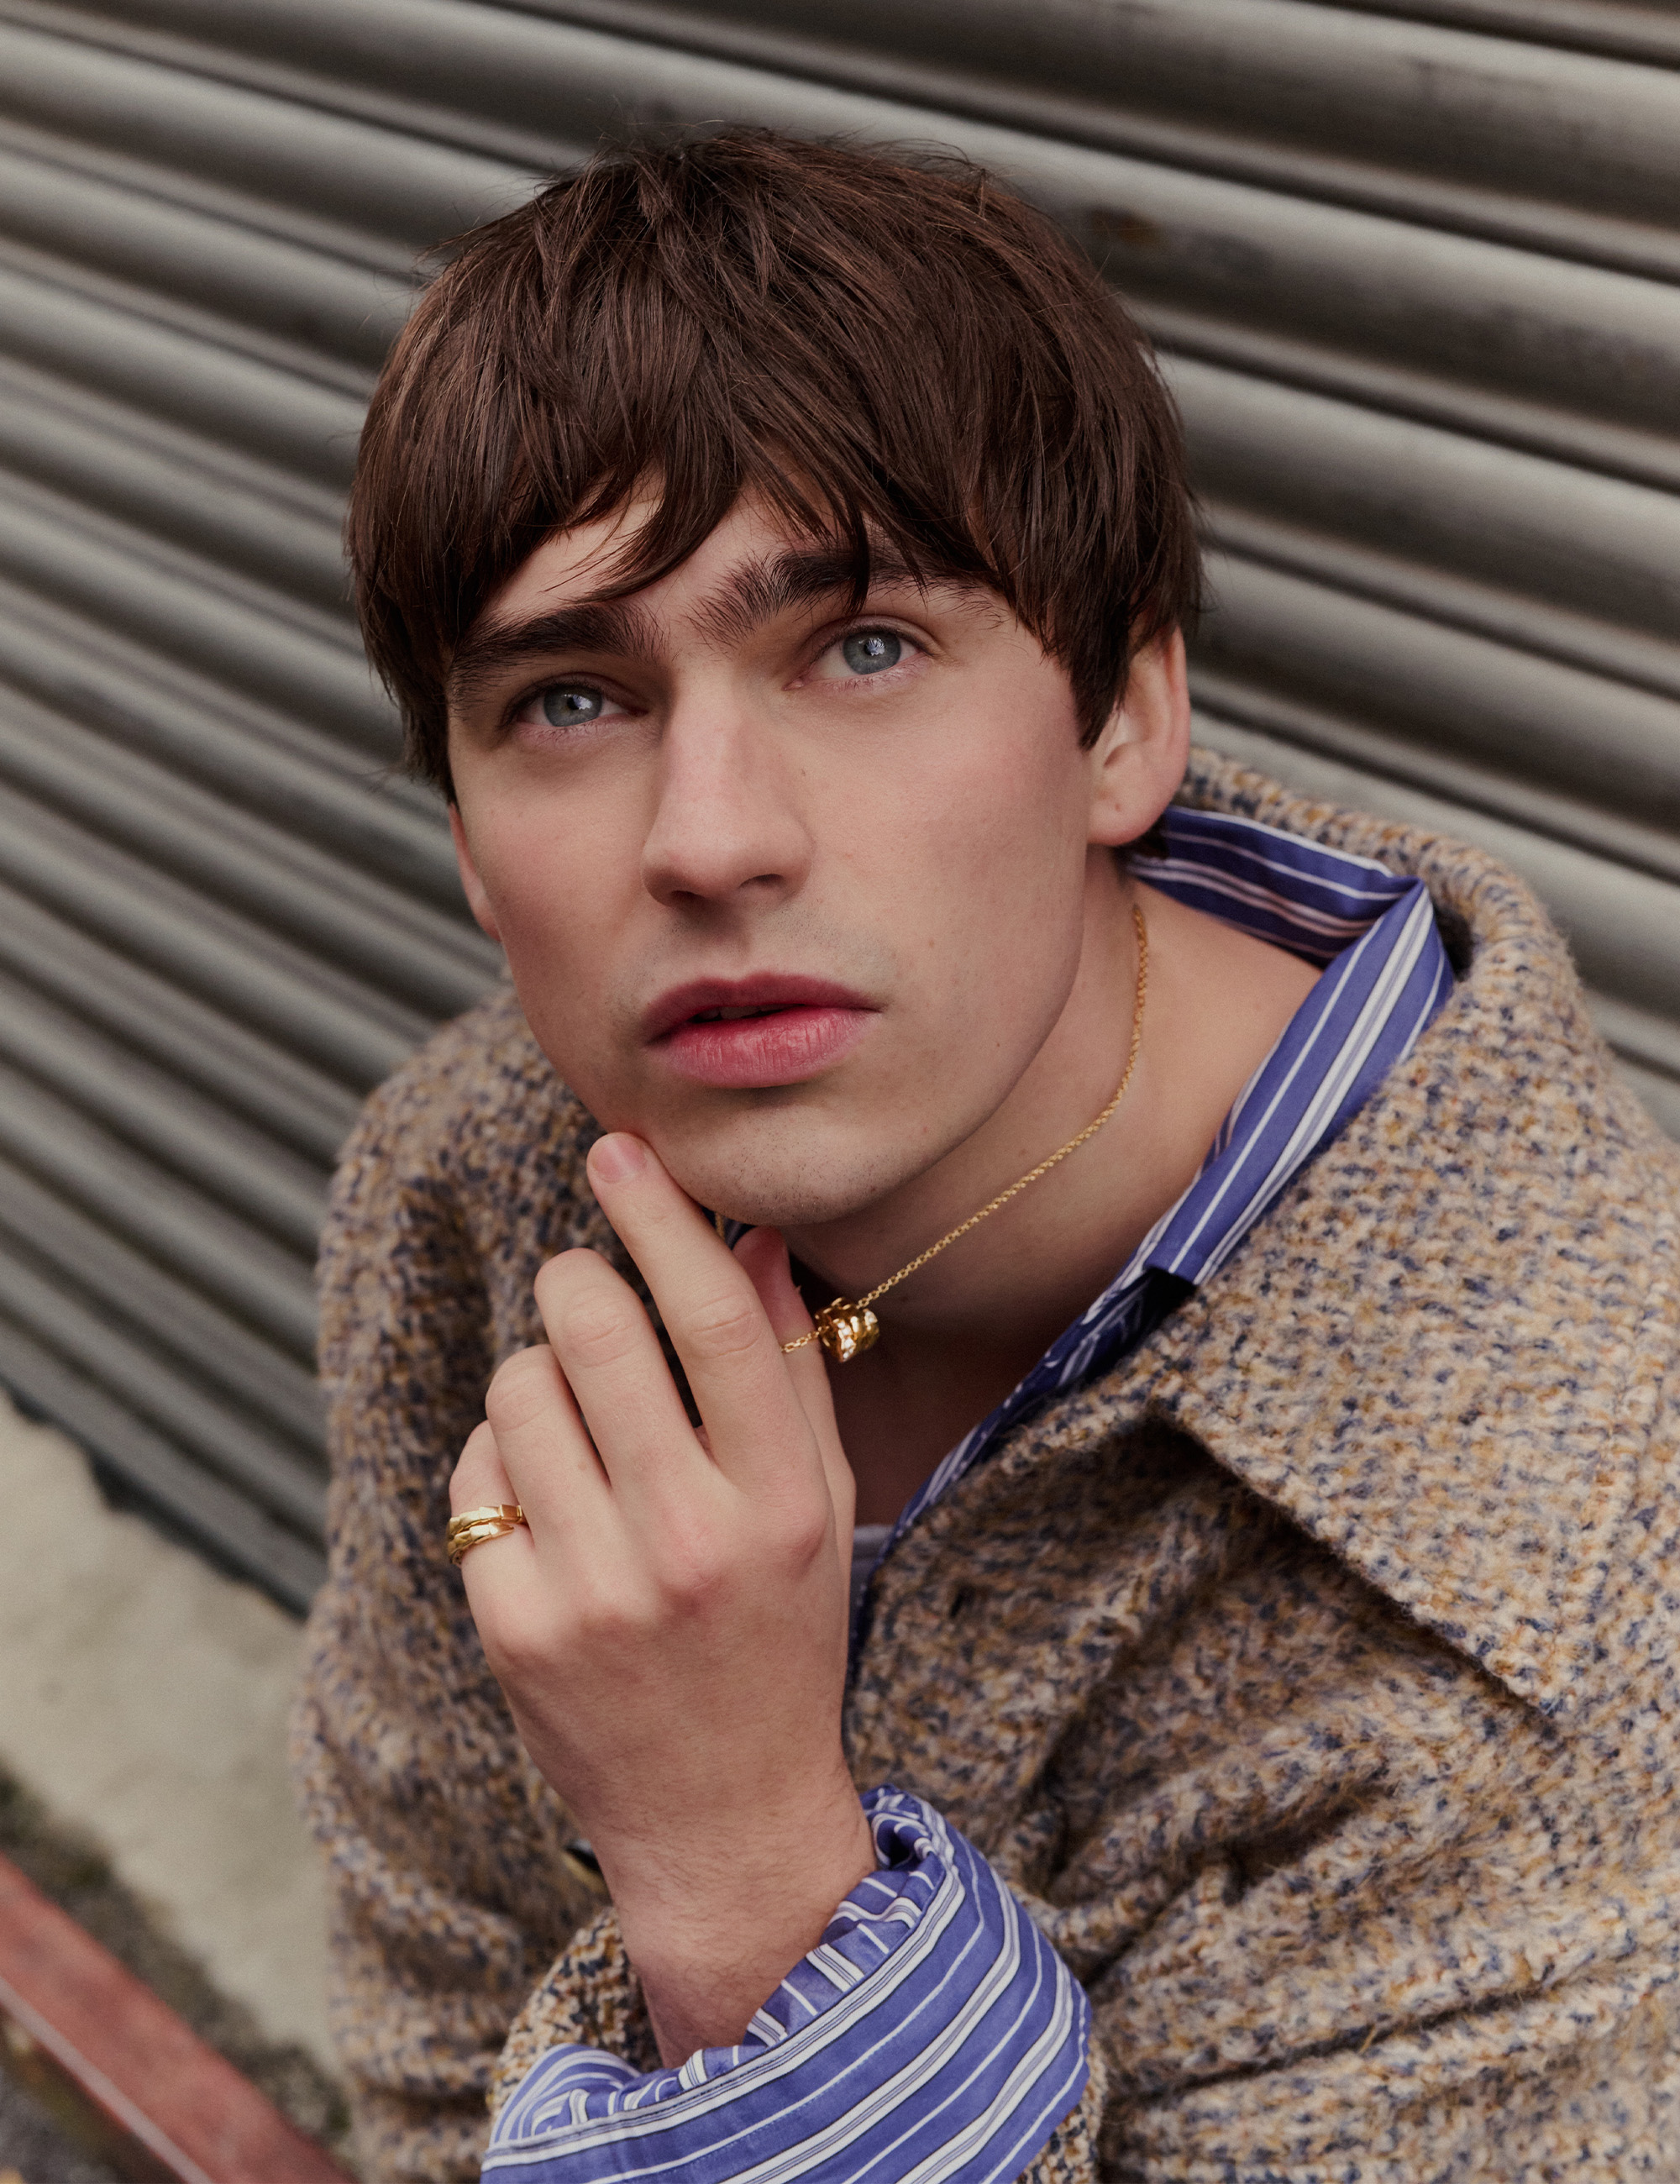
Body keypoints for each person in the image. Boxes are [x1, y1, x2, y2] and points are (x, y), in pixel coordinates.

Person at [291, 130, 1680, 2184]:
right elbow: (420, 2042)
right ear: (470, 837)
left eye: (858, 647)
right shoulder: (473, 1182)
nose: (709, 836)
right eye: (571, 696)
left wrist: (746, 1870)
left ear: (1123, 713)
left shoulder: (1564, 1546)